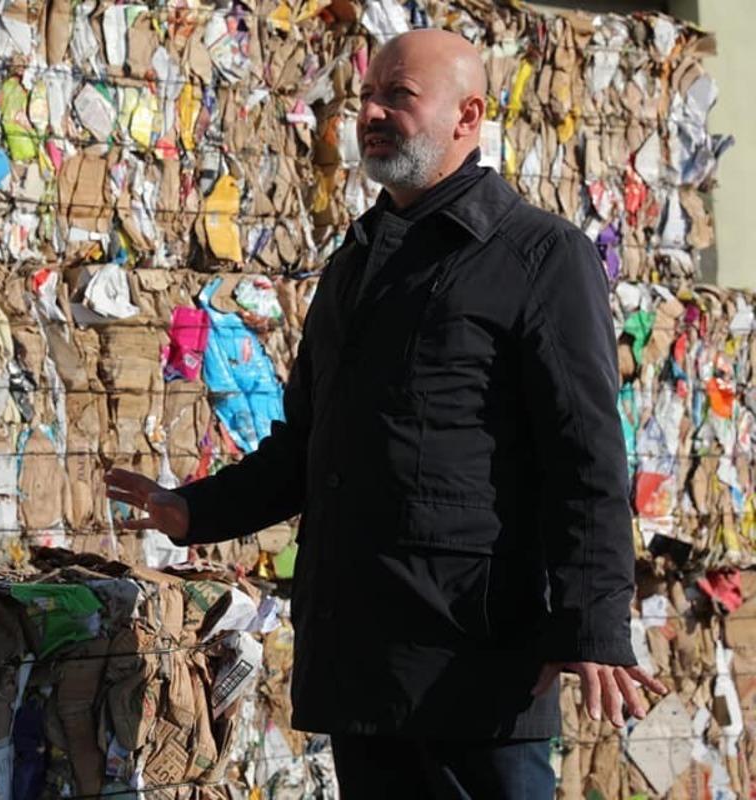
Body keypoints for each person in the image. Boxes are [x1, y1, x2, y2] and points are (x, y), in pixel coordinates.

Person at [104, 28, 669, 799]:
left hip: (473, 665)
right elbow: (307, 445)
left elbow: (587, 458)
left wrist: (595, 624)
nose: (370, 111)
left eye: (398, 96)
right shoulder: (359, 261)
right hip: (360, 660)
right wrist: (191, 511)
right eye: (367, 96)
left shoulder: (538, 256)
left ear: (468, 116)